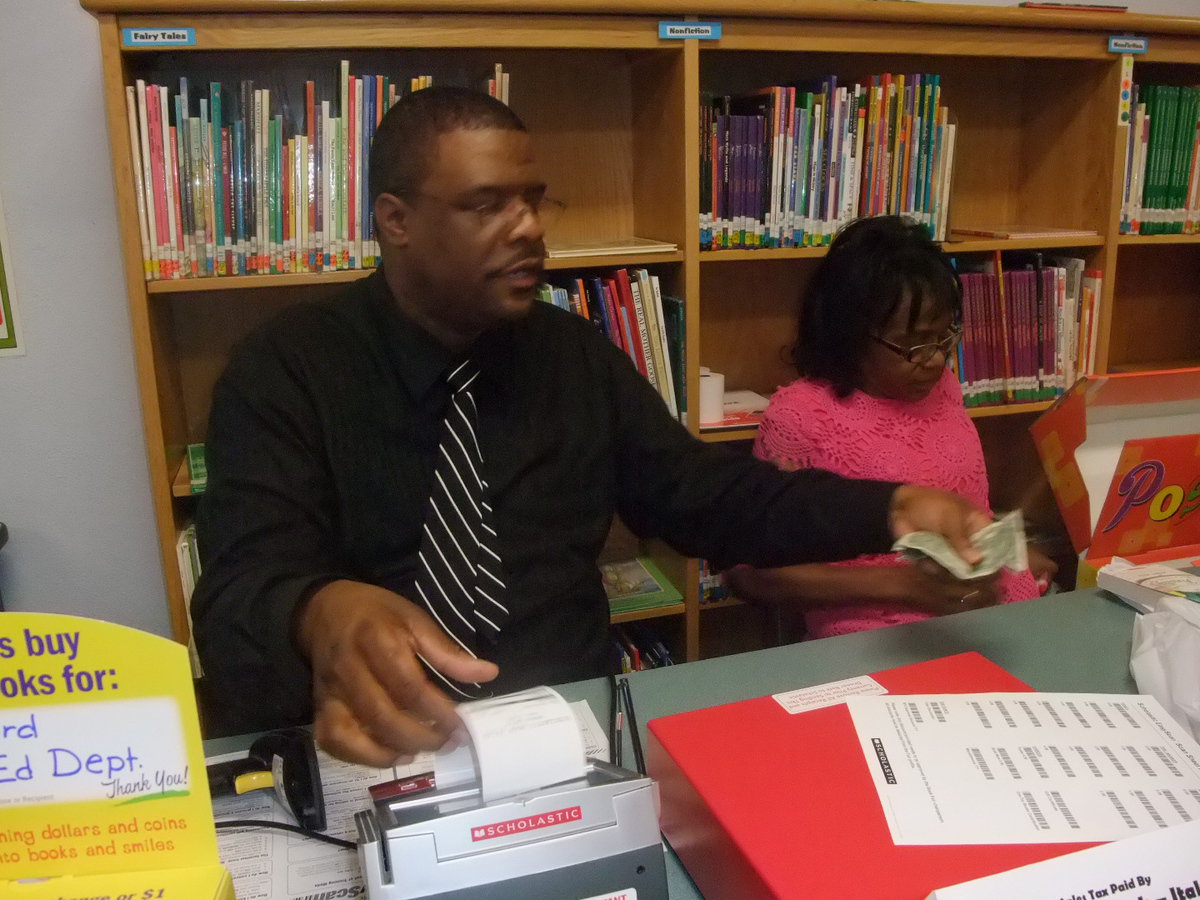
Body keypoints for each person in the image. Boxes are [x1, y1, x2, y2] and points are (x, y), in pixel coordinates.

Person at [192, 88, 993, 767]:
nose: (528, 228)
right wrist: (318, 607)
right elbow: (237, 592)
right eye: (486, 205)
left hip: (566, 732)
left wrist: (887, 508)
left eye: (532, 200)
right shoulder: (286, 371)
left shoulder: (570, 354)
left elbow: (702, 493)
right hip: (379, 744)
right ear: (395, 220)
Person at [725, 215, 1057, 639]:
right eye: (914, 343)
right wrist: (901, 586)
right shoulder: (801, 414)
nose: (935, 359)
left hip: (988, 617)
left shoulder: (944, 389)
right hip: (878, 638)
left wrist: (1007, 548)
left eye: (943, 337)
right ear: (851, 334)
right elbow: (751, 576)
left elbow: (964, 504)